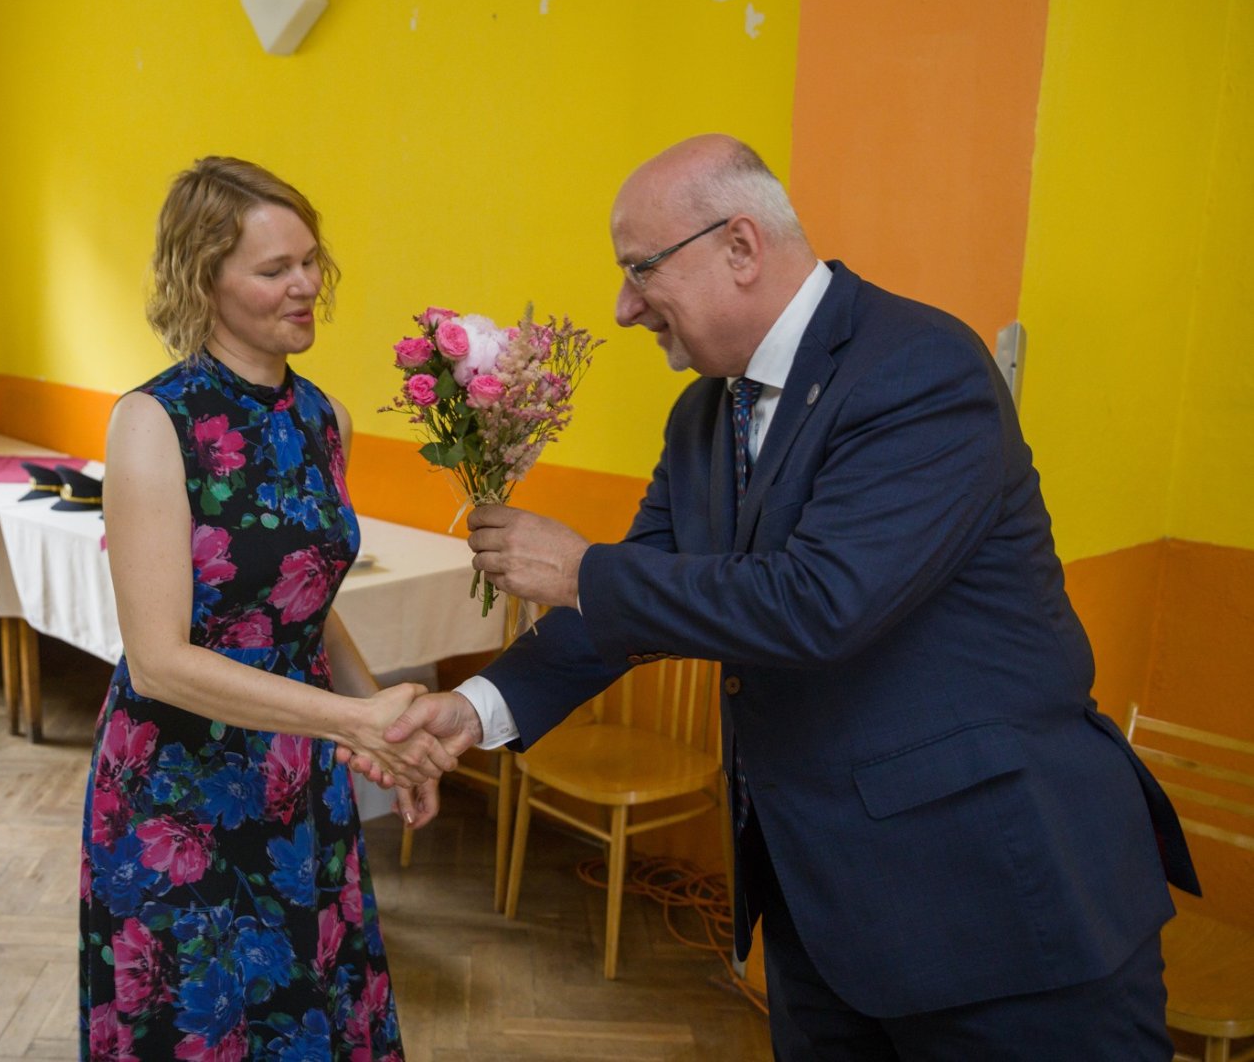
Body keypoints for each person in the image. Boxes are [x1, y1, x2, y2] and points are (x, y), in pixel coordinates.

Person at [352, 135, 1199, 1058]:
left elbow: (822, 603)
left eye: (639, 269)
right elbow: (639, 598)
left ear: (741, 247)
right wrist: (475, 708)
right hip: (822, 911)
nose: (624, 307)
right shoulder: (703, 414)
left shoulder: (920, 367)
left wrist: (579, 569)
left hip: (1000, 905)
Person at [80, 156, 449, 1061]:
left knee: (304, 1015)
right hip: (181, 790)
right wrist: (353, 721)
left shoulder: (325, 420)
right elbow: (159, 661)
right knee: (200, 1027)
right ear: (204, 279)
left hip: (297, 781)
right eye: (275, 268)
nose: (306, 285)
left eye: (311, 261)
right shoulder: (153, 423)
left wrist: (385, 729)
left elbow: (305, 606)